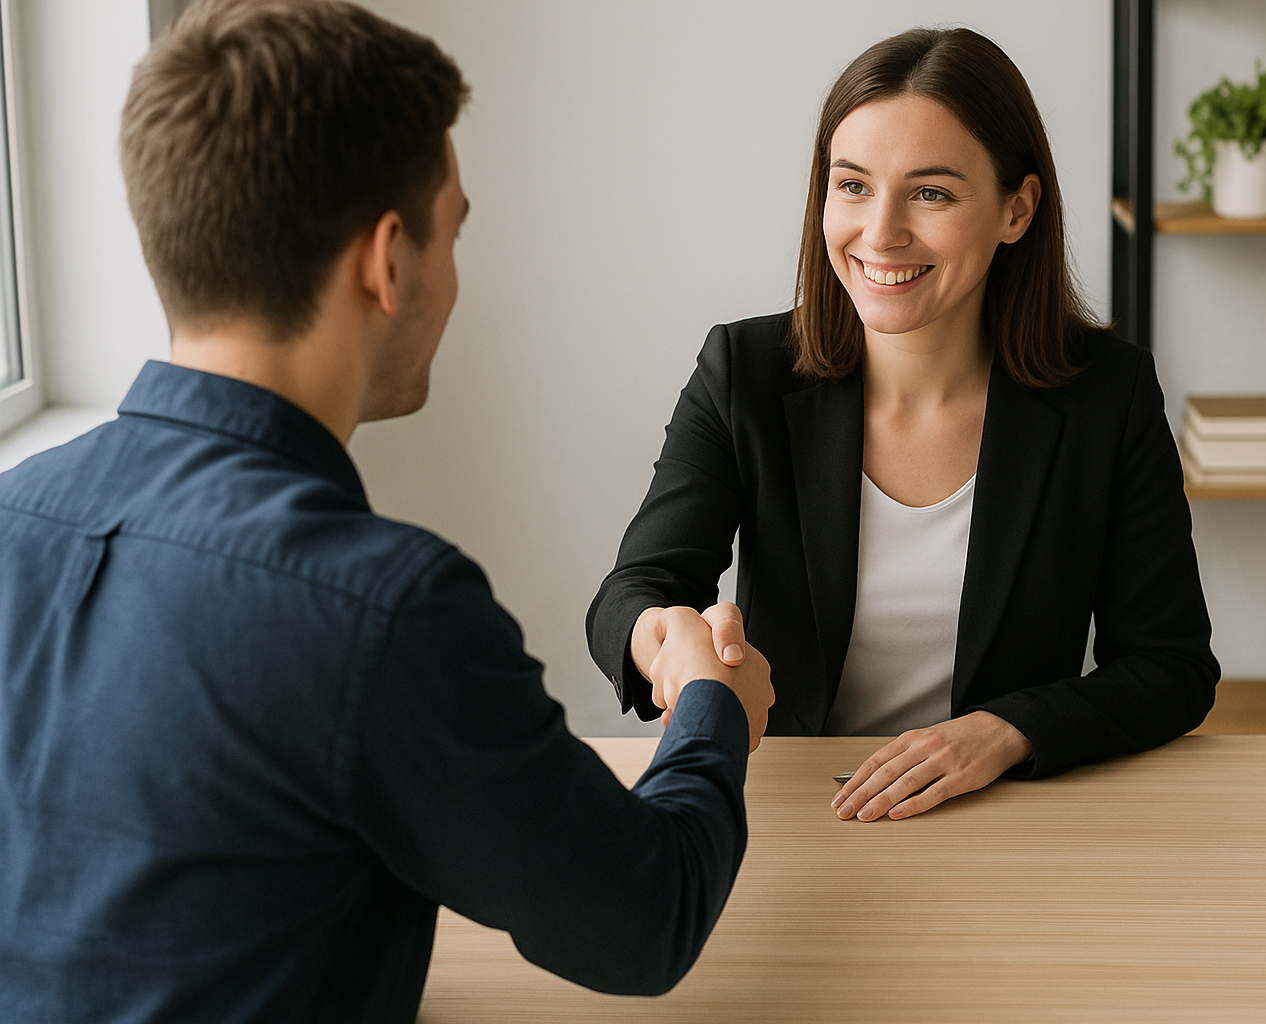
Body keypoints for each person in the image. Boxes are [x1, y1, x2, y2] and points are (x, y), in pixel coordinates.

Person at [0, 2, 772, 1021]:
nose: (454, 274)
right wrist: (715, 706)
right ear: (386, 262)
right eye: (453, 231)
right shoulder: (380, 607)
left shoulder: (14, 515)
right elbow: (643, 918)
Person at [588, 27, 1218, 823]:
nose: (881, 232)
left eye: (931, 194)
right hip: (793, 808)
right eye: (853, 185)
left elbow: (1170, 667)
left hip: (1002, 814)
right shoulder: (743, 373)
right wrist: (665, 639)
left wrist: (1009, 731)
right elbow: (632, 593)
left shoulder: (1108, 395)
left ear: (1017, 209)